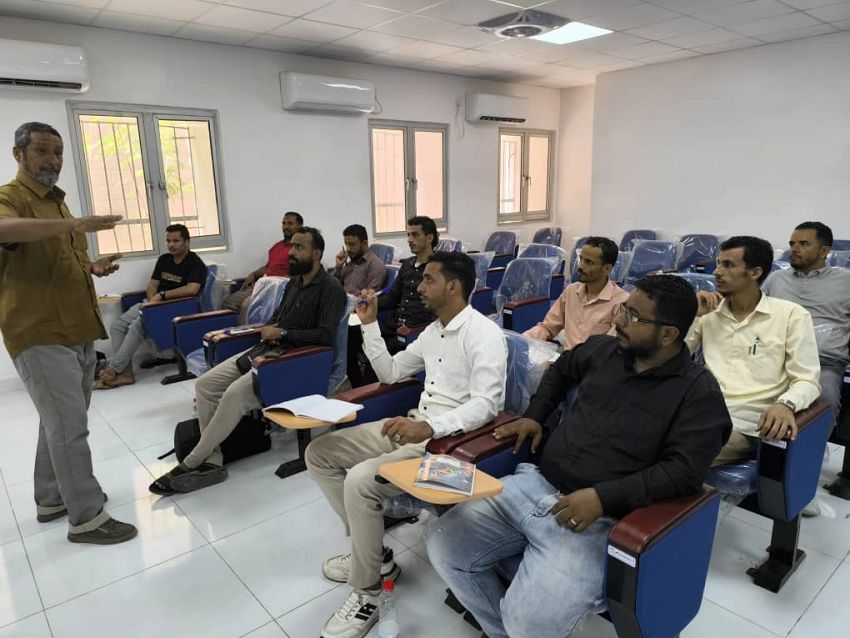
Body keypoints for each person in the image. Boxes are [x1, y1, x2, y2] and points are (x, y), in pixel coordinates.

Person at [426, 275, 731, 638]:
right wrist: (535, 415)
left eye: (633, 317)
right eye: (623, 309)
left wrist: (604, 498)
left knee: (529, 623)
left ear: (668, 334)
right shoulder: (605, 350)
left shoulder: (698, 393)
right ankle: (500, 632)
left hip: (597, 521)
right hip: (534, 484)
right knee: (443, 546)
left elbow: (683, 472)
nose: (619, 320)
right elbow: (560, 369)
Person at [305, 251, 507, 638]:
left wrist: (430, 426)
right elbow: (392, 371)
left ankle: (367, 591)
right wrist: (369, 326)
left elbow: (487, 405)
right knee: (320, 453)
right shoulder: (433, 331)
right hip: (415, 425)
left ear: (453, 286)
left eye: (429, 279)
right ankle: (373, 555)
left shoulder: (484, 335)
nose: (419, 286)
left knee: (360, 480)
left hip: (446, 442)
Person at [0, 122, 137, 544]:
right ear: (19, 154)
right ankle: (87, 517)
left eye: (58, 152)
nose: (53, 160)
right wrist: (74, 225)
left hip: (76, 327)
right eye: (42, 151)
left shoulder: (58, 203)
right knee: (70, 428)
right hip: (39, 331)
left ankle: (52, 498)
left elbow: (58, 258)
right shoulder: (11, 197)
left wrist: (92, 267)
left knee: (59, 422)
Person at [149, 227, 346, 495]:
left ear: (316, 253)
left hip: (297, 361)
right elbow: (277, 318)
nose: (291, 252)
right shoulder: (293, 283)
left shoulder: (331, 289)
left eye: (299, 247)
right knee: (206, 385)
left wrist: (283, 333)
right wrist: (269, 329)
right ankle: (212, 460)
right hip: (267, 350)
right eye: (291, 246)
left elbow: (325, 336)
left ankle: (192, 462)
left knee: (234, 395)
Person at [686, 236, 821, 478]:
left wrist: (785, 404)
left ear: (755, 272)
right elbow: (675, 359)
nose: (716, 272)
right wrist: (693, 316)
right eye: (718, 263)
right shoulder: (708, 313)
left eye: (728, 265)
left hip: (743, 424)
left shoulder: (791, 315)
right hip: (695, 410)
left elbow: (807, 380)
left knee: (679, 453)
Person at [95, 223, 207, 389]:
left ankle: (113, 369)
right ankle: (126, 373)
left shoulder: (195, 263)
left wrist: (162, 297)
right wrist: (152, 303)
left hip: (177, 308)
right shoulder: (164, 260)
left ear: (187, 242)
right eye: (168, 241)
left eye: (176, 241)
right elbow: (152, 285)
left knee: (138, 325)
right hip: (154, 304)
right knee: (117, 325)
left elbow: (192, 289)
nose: (171, 245)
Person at [762, 222, 849, 430]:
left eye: (803, 244)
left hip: (823, 362)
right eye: (792, 243)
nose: (794, 248)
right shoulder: (776, 278)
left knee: (824, 397)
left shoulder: (846, 282)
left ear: (824, 251)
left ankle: (809, 449)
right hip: (776, 356)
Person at [348, 216, 438, 387]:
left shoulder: (437, 267)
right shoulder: (408, 264)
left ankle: (368, 391)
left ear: (429, 238)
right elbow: (393, 297)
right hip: (396, 324)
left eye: (415, 235)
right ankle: (358, 387)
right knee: (351, 336)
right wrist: (370, 302)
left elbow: (439, 309)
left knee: (377, 361)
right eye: (408, 235)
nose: (409, 239)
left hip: (416, 329)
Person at [524, 236, 629, 348]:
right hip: (568, 356)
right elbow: (547, 327)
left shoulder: (621, 301)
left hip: (593, 358)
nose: (580, 266)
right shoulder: (571, 291)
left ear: (606, 269)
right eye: (581, 259)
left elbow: (609, 348)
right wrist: (522, 340)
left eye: (588, 262)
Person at [221, 210, 303, 322]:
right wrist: (254, 274)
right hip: (262, 284)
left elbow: (297, 275)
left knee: (246, 305)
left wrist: (271, 284)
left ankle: (246, 331)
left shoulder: (299, 249)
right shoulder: (277, 246)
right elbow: (268, 267)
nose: (285, 227)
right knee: (229, 302)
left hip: (276, 288)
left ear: (300, 226)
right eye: (284, 223)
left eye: (290, 223)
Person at [332, 224, 387, 295]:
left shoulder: (376, 266)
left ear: (364, 243)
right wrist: (338, 267)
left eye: (352, 244)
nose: (348, 249)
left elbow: (369, 297)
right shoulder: (351, 262)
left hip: (356, 301)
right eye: (346, 244)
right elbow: (333, 286)